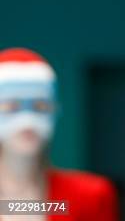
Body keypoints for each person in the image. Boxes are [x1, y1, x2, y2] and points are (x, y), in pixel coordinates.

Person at [0, 47, 118, 221]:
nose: (27, 121)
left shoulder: (89, 196)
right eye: (11, 107)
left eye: (40, 107)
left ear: (55, 110)